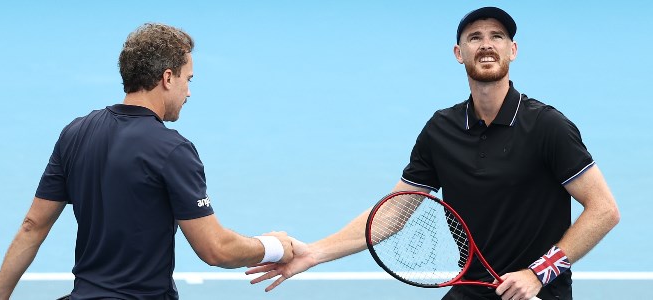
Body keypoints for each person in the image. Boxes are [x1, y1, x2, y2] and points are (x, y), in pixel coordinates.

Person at [247, 7, 620, 300]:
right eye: (475, 38)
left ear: (513, 50)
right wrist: (313, 252)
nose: (486, 44)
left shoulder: (547, 126)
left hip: (537, 291)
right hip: (472, 288)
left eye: (497, 36)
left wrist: (539, 273)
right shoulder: (441, 129)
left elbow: (604, 210)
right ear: (460, 54)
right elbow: (393, 211)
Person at [0, 23, 300, 300]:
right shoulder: (172, 150)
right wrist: (273, 246)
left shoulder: (76, 132)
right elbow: (215, 249)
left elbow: (32, 226)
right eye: (187, 79)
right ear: (167, 78)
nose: (188, 92)